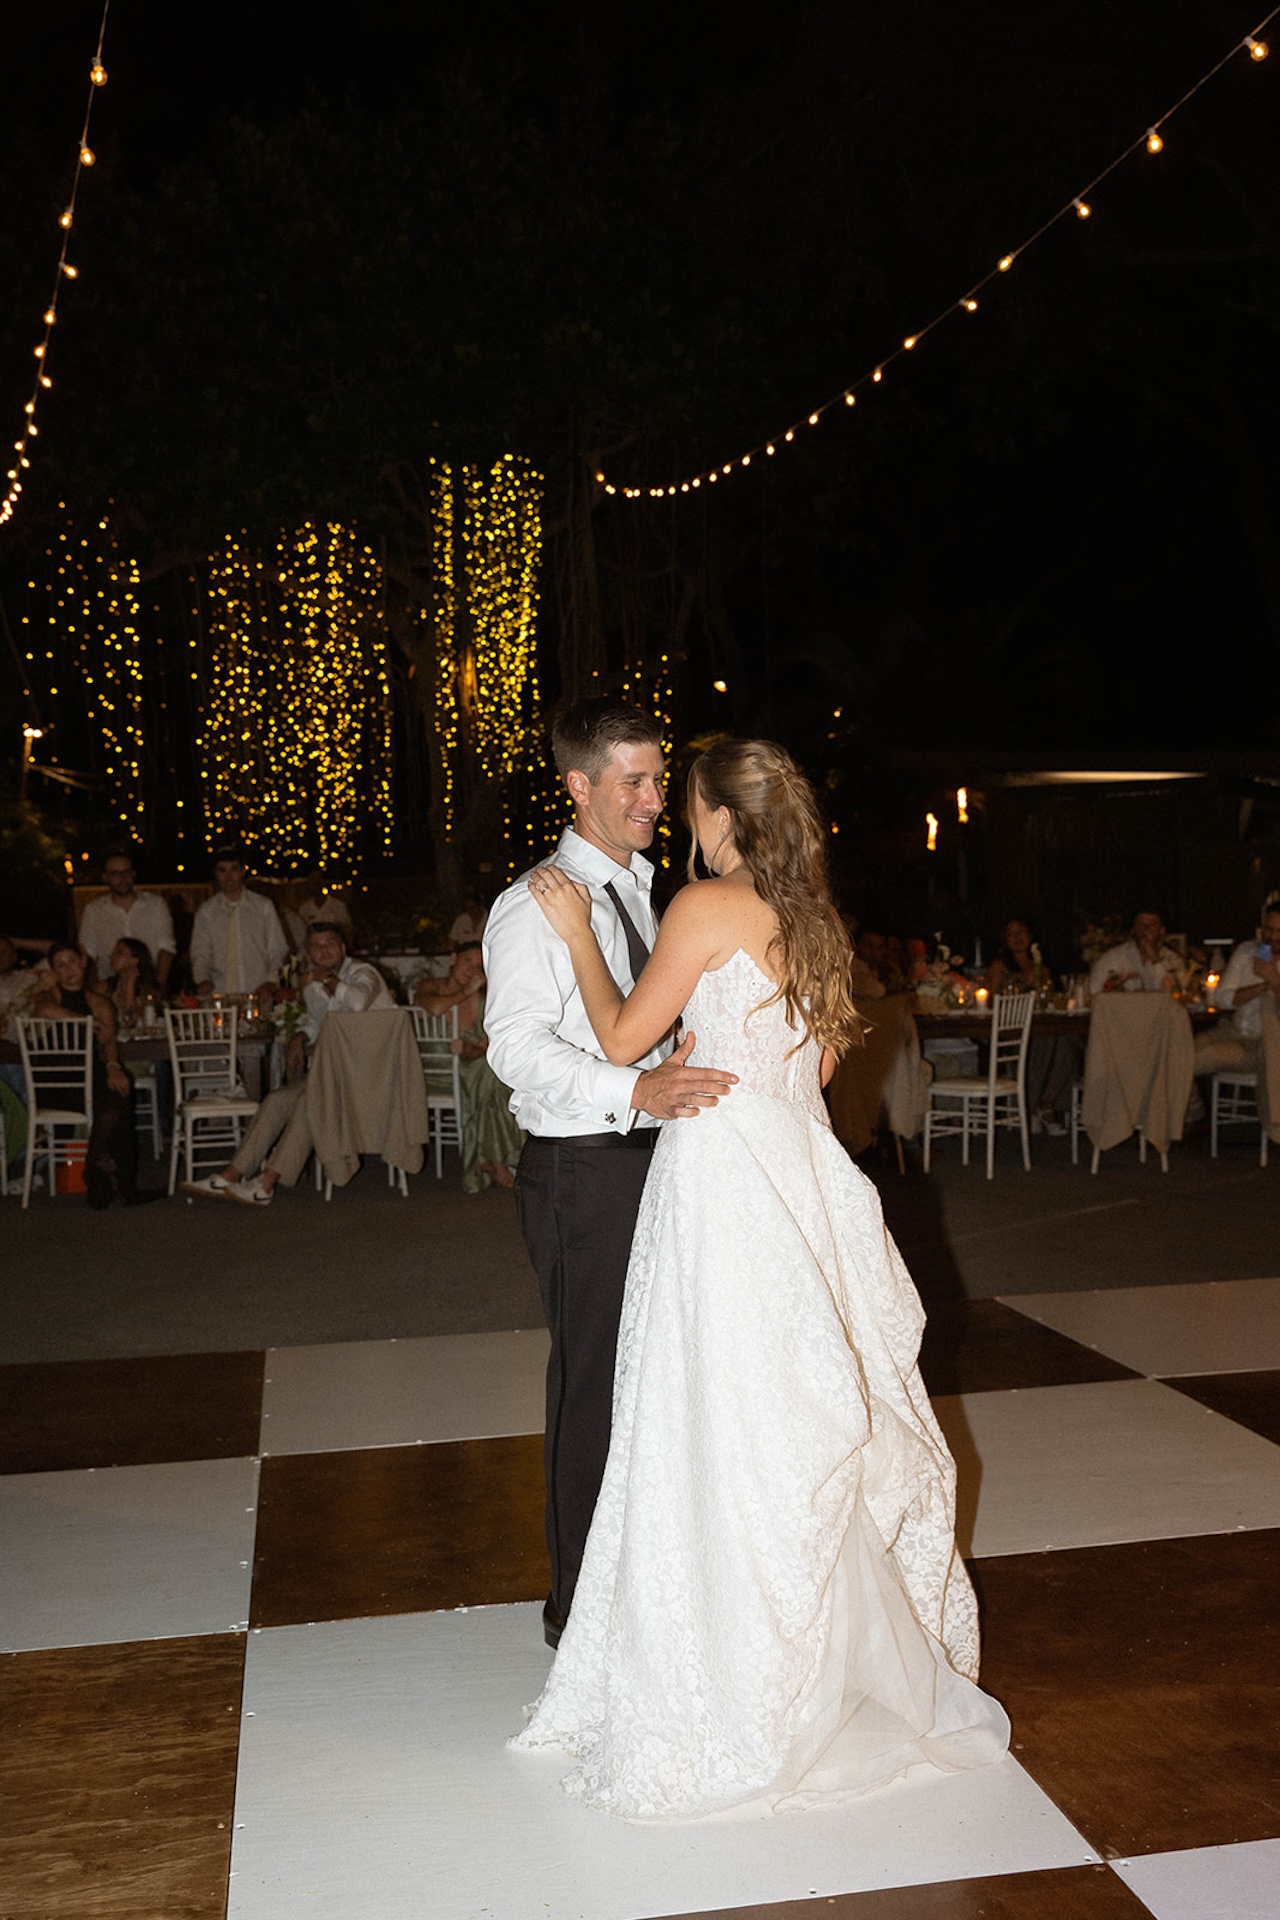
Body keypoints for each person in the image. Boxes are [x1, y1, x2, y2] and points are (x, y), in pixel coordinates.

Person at [509, 738, 1009, 1820]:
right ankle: (822, 1662)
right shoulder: (818, 920)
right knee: (794, 1413)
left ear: (713, 813)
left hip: (720, 1171)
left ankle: (738, 1667)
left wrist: (572, 938)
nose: (676, 813)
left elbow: (617, 1033)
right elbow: (817, 1072)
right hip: (801, 1165)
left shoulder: (702, 904)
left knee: (712, 1410)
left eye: (683, 799)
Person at [484, 697, 739, 1651]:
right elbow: (515, 1048)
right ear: (578, 784)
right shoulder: (537, 901)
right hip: (584, 1171)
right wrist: (637, 1093)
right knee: (594, 1384)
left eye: (659, 778)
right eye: (632, 780)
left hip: (658, 1161)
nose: (654, 797)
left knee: (655, 1380)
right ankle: (577, 1613)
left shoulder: (642, 889)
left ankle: (645, 1585)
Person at [183, 923, 393, 1203]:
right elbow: (318, 1023)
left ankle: (266, 1183)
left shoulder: (363, 973)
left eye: (330, 943)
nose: (324, 950)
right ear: (309, 954)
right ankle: (232, 1175)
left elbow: (356, 1003)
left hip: (373, 1078)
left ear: (343, 948)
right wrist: (300, 1035)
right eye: (317, 946)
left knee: (311, 1100)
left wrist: (329, 980)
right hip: (335, 1076)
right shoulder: (313, 988)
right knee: (277, 1099)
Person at [32, 944, 158, 1207]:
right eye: (61, 966)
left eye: (72, 963)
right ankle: (122, 1185)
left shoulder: (99, 1002)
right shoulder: (48, 995)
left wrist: (114, 1067)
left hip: (91, 1076)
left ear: (83, 962)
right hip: (57, 1081)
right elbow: (45, 1011)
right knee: (114, 1105)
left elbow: (109, 1042)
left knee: (118, 1094)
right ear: (54, 971)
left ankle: (97, 1174)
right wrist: (84, 1021)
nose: (69, 970)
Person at [414, 941, 523, 1190]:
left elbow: (485, 1049)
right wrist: (466, 992)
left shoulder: (484, 1001)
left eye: (479, 966)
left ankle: (492, 1161)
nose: (472, 970)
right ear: (453, 958)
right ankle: (496, 1161)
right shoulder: (431, 986)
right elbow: (434, 1007)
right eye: (467, 962)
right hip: (432, 1073)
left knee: (496, 1074)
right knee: (492, 1077)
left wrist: (466, 1049)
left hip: (471, 1070)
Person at [1194, 903, 1280, 1078]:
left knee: (1201, 1057)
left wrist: (1275, 981)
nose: (1274, 936)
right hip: (1234, 1029)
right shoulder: (1246, 951)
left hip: (1267, 1044)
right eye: (1269, 930)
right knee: (1179, 1052)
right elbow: (1221, 998)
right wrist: (1261, 986)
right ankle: (1194, 1105)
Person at [190, 847, 289, 997]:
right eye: (222, 871)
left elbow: (277, 949)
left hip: (258, 991)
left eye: (233, 870)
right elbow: (200, 953)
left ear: (242, 871)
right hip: (219, 992)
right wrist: (202, 979)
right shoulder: (207, 911)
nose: (228, 877)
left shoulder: (263, 906)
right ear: (216, 874)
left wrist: (271, 981)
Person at [78, 848, 176, 989]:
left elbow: (166, 948)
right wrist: (93, 991)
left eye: (126, 872)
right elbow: (88, 954)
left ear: (133, 874)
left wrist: (158, 986)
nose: (122, 878)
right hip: (109, 985)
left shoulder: (155, 904)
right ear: (105, 877)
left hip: (148, 984)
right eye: (115, 873)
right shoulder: (94, 910)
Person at [1090, 909, 1187, 996]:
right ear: (1133, 930)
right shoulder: (1112, 958)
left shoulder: (1173, 959)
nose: (1146, 929)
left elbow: (1174, 993)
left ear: (1162, 931)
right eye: (1141, 925)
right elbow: (1094, 992)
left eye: (1152, 925)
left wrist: (1154, 959)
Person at [105, 937, 161, 1026]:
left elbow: (134, 1021)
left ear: (135, 960)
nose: (112, 956)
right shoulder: (105, 987)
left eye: (119, 953)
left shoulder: (148, 990)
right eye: (113, 952)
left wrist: (130, 985)